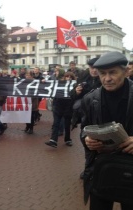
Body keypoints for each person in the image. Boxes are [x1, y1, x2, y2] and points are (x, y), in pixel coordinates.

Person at [81, 51, 133, 209]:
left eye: (112, 72)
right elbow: (84, 128)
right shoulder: (90, 99)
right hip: (102, 168)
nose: (107, 78)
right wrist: (87, 140)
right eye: (102, 73)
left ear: (126, 72)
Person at [69, 57, 102, 179]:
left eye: (96, 68)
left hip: (101, 118)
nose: (93, 71)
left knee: (100, 145)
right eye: (91, 68)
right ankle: (89, 170)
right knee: (87, 142)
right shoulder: (83, 78)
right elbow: (72, 95)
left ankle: (97, 170)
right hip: (85, 118)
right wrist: (76, 92)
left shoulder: (104, 79)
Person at [45, 70, 76, 148]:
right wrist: (44, 81)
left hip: (68, 107)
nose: (68, 78)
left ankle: (68, 139)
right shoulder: (58, 84)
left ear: (73, 78)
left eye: (70, 77)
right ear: (64, 77)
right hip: (58, 106)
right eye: (67, 76)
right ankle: (53, 140)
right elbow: (50, 87)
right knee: (56, 123)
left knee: (67, 124)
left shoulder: (75, 86)